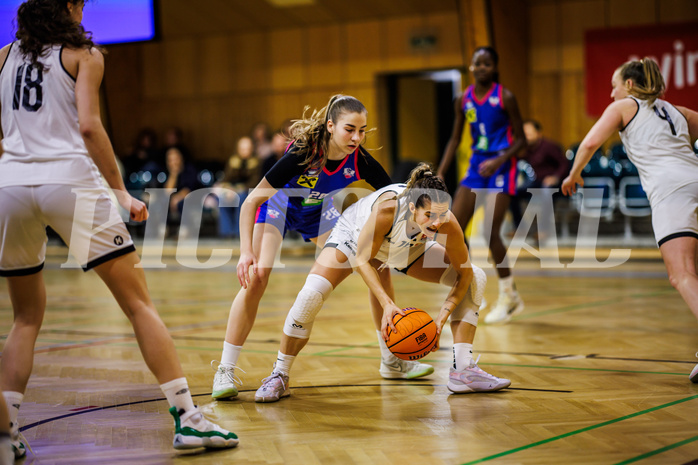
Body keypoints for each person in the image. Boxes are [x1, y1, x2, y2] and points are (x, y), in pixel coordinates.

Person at [0, 0, 238, 456]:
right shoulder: (83, 54)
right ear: (71, 6)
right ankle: (189, 419)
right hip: (69, 179)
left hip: (10, 185)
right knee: (138, 305)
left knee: (25, 318)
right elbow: (89, 127)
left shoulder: (5, 55)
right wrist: (120, 191)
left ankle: (6, 435)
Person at [211, 95, 434, 401]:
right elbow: (252, 201)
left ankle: (391, 360)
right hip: (278, 207)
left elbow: (394, 196)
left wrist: (419, 226)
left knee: (379, 266)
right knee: (258, 275)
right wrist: (246, 251)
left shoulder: (360, 159)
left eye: (362, 130)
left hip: (318, 213)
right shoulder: (303, 153)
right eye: (349, 129)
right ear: (331, 126)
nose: (357, 137)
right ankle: (225, 370)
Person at [254, 164, 511, 402]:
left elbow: (464, 274)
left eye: (441, 215)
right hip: (353, 237)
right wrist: (387, 304)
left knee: (476, 275)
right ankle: (280, 374)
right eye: (429, 215)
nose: (436, 222)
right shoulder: (387, 210)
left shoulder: (446, 223)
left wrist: (440, 320)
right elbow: (363, 259)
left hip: (405, 247)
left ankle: (463, 370)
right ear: (413, 208)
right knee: (311, 294)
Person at [562, 58, 698, 383]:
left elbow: (591, 142)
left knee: (682, 275)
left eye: (613, 86)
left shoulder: (624, 107)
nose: (611, 94)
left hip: (672, 191)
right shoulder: (677, 110)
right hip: (694, 178)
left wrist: (573, 173)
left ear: (629, 85)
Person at [437, 46, 527, 325]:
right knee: (454, 227)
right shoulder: (463, 99)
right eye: (478, 63)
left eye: (487, 63)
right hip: (477, 166)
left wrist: (500, 159)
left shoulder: (506, 97)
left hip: (501, 166)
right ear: (471, 68)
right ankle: (472, 286)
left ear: (494, 67)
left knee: (490, 232)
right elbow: (454, 139)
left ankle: (510, 296)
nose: (482, 68)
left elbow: (522, 140)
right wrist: (440, 172)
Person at [509, 119, 569, 240]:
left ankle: (544, 230)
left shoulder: (549, 146)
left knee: (547, 191)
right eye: (524, 134)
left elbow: (564, 164)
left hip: (552, 184)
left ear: (538, 133)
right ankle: (520, 228)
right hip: (535, 183)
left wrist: (555, 177)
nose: (527, 136)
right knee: (512, 192)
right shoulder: (525, 149)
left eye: (529, 133)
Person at [216, 136, 261, 239]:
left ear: (252, 149)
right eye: (242, 149)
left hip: (249, 191)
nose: (245, 151)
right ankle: (226, 232)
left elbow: (255, 182)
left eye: (247, 148)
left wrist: (238, 189)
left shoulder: (257, 162)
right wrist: (228, 190)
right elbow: (226, 179)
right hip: (232, 190)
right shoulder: (233, 161)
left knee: (241, 198)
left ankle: (239, 232)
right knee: (222, 199)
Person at [163, 145, 199, 238]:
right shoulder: (166, 172)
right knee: (163, 201)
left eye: (175, 159)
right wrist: (173, 174)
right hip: (173, 201)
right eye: (170, 160)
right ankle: (164, 229)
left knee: (182, 202)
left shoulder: (190, 169)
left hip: (191, 198)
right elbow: (167, 192)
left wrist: (177, 198)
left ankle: (184, 229)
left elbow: (188, 189)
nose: (173, 162)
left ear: (181, 159)